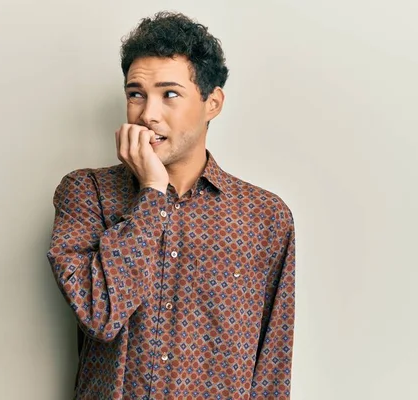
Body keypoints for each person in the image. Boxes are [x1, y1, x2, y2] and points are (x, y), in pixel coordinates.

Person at [47, 11, 296, 400]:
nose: (148, 113)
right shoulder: (87, 193)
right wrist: (151, 192)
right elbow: (100, 315)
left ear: (212, 103)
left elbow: (272, 370)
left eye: (170, 94)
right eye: (135, 94)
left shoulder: (264, 218)